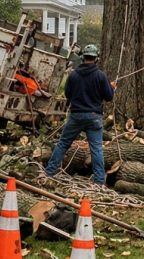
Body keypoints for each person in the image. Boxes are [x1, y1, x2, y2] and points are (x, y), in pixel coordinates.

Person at [44, 44, 115, 184]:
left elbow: (67, 94)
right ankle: (100, 181)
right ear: (96, 58)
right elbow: (109, 97)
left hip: (76, 115)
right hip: (94, 116)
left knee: (63, 144)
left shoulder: (73, 75)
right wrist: (112, 88)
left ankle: (49, 172)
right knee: (96, 149)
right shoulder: (101, 76)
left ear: (82, 57)